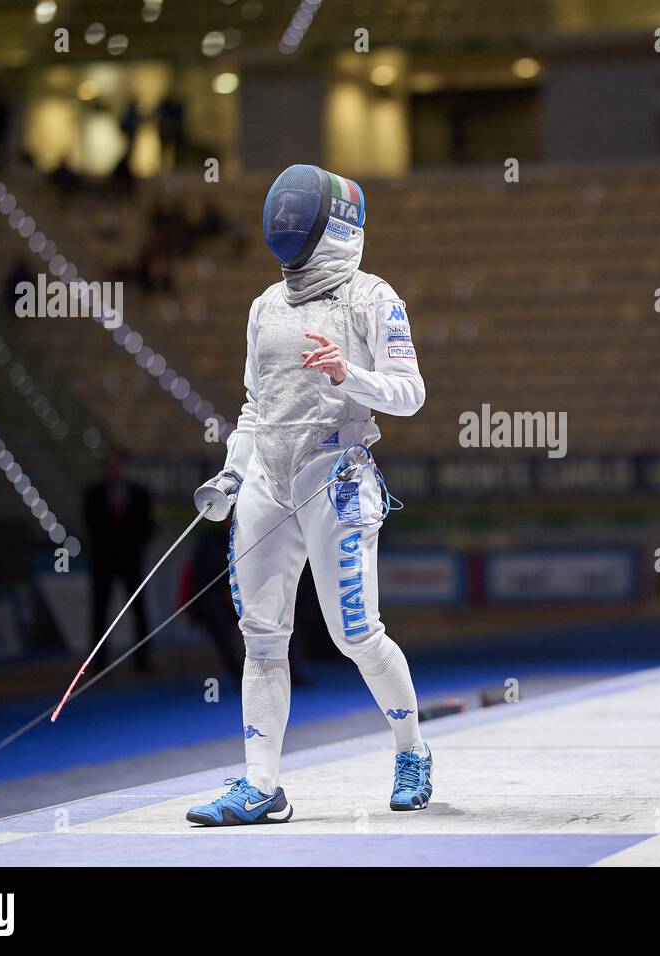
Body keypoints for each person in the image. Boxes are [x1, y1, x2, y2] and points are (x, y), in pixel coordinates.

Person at [185, 164, 430, 826]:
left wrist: (348, 374)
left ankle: (411, 749)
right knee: (262, 638)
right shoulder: (264, 307)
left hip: (336, 479)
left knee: (356, 634)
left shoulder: (375, 299)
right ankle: (262, 786)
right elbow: (255, 407)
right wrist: (231, 475)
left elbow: (411, 393)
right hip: (267, 479)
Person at [83, 447, 156, 673]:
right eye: (109, 466)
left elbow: (148, 525)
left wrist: (135, 547)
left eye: (117, 465)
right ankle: (98, 662)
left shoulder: (139, 493)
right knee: (100, 611)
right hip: (103, 562)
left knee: (138, 610)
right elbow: (89, 525)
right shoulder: (93, 494)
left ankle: (142, 660)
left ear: (124, 467)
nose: (113, 470)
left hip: (131, 561)